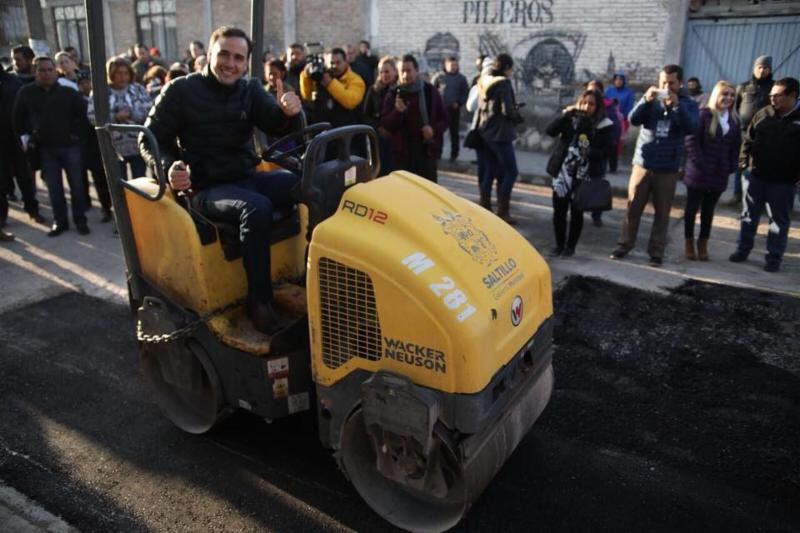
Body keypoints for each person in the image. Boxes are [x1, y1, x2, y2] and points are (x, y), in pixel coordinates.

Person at [139, 26, 303, 334]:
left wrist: (287, 111)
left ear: (246, 63)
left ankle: (312, 273)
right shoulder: (180, 91)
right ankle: (260, 302)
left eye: (238, 58)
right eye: (224, 55)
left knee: (310, 183)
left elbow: (274, 121)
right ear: (209, 54)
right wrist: (168, 166)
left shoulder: (249, 89)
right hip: (207, 188)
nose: (231, 64)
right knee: (256, 207)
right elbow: (150, 139)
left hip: (247, 177)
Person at [610, 64, 699, 266]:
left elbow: (691, 127)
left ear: (680, 83)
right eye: (663, 82)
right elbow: (633, 119)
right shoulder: (651, 99)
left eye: (671, 83)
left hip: (668, 167)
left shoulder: (688, 104)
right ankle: (624, 245)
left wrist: (677, 106)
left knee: (662, 212)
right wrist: (645, 100)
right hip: (643, 163)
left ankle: (656, 251)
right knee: (633, 208)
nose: (667, 87)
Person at [729, 77, 800, 273]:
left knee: (778, 222)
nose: (772, 99)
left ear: (792, 96)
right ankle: (742, 250)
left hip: (784, 183)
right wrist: (744, 164)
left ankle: (774, 258)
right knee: (748, 216)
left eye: (777, 96)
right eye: (771, 95)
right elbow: (748, 140)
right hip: (756, 177)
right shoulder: (763, 113)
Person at [13, 56, 89, 236]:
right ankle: (60, 222)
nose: (47, 74)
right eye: (42, 70)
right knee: (54, 189)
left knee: (77, 187)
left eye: (50, 70)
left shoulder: (68, 92)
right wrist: (25, 139)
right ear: (35, 72)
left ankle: (80, 221)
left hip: (70, 147)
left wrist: (76, 136)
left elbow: (83, 116)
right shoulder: (26, 92)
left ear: (55, 71)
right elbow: (17, 118)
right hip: (45, 148)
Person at [545, 89, 613, 256]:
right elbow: (550, 131)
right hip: (563, 173)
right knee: (559, 211)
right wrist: (565, 116)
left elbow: (606, 151)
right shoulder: (570, 118)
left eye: (591, 104)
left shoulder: (603, 124)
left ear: (598, 107)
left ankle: (570, 247)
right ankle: (559, 245)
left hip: (584, 174)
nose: (587, 107)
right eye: (584, 103)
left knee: (577, 212)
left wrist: (589, 151)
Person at [682, 81, 740, 261]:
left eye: (732, 95)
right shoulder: (703, 115)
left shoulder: (734, 120)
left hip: (719, 174)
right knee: (692, 209)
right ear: (716, 95)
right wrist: (701, 164)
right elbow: (691, 141)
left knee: (708, 211)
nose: (728, 98)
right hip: (698, 173)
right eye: (725, 94)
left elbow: (736, 147)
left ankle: (703, 243)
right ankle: (689, 242)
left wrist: (731, 166)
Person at [380, 54, 448, 183]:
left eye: (409, 70)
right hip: (401, 155)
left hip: (425, 152)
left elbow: (444, 119)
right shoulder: (393, 94)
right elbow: (386, 124)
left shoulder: (429, 92)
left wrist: (433, 130)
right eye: (402, 71)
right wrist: (397, 112)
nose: (406, 75)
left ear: (416, 71)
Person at [475, 53, 524, 224]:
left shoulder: (484, 80)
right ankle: (503, 211)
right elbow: (506, 110)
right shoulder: (503, 83)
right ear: (506, 68)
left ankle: (484, 205)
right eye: (511, 69)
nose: (511, 72)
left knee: (490, 169)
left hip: (486, 131)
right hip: (501, 133)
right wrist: (517, 117)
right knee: (511, 171)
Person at [87, 57, 152, 180]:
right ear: (111, 74)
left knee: (140, 181)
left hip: (137, 145)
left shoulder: (138, 89)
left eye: (126, 73)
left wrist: (132, 114)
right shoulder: (100, 92)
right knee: (118, 183)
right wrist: (114, 117)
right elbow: (92, 116)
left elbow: (149, 111)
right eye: (119, 73)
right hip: (112, 148)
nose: (123, 77)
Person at [0, 68, 45, 226]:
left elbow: (23, 110)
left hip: (15, 139)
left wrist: (25, 134)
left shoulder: (13, 82)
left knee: (24, 177)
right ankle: (2, 216)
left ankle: (32, 210)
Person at [299, 47, 365, 153]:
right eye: (331, 63)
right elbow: (307, 96)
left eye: (338, 62)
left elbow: (350, 101)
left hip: (347, 137)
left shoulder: (355, 80)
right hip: (322, 135)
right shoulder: (321, 76)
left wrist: (330, 83)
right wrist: (305, 76)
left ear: (346, 61)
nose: (334, 66)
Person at [732, 55, 774, 204]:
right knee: (741, 162)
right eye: (759, 67)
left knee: (762, 164)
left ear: (770, 70)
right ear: (754, 68)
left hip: (765, 134)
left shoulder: (774, 87)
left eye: (765, 68)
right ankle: (737, 195)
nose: (762, 70)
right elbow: (736, 107)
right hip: (744, 133)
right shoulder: (743, 87)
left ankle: (759, 198)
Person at [77, 71, 113, 223]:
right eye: (82, 83)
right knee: (91, 178)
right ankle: (102, 207)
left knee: (104, 178)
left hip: (102, 143)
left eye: (88, 81)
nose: (86, 85)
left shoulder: (102, 97)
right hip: (85, 144)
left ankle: (109, 206)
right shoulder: (76, 99)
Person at [586, 79, 622, 227]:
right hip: (582, 155)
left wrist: (606, 150)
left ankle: (596, 215)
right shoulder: (582, 107)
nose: (592, 92)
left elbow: (615, 130)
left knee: (597, 185)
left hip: (598, 155)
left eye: (596, 90)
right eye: (589, 89)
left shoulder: (608, 108)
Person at [363, 56, 398, 174]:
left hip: (396, 138)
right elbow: (366, 114)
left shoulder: (400, 89)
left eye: (387, 71)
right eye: (381, 72)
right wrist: (378, 127)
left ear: (394, 71)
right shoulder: (374, 90)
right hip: (378, 138)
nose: (384, 75)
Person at [432, 56, 469, 162]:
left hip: (454, 109)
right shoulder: (439, 76)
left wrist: (459, 102)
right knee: (439, 131)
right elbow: (432, 90)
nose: (453, 67)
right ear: (446, 65)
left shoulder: (461, 78)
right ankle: (437, 153)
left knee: (454, 132)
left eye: (455, 65)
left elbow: (465, 93)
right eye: (451, 65)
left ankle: (454, 154)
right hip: (440, 109)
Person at [604, 71, 634, 172]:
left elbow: (629, 107)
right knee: (606, 141)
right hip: (608, 119)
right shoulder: (609, 90)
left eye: (621, 79)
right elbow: (604, 103)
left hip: (622, 122)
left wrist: (621, 117)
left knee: (617, 143)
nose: (618, 81)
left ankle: (613, 166)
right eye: (616, 79)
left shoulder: (628, 92)